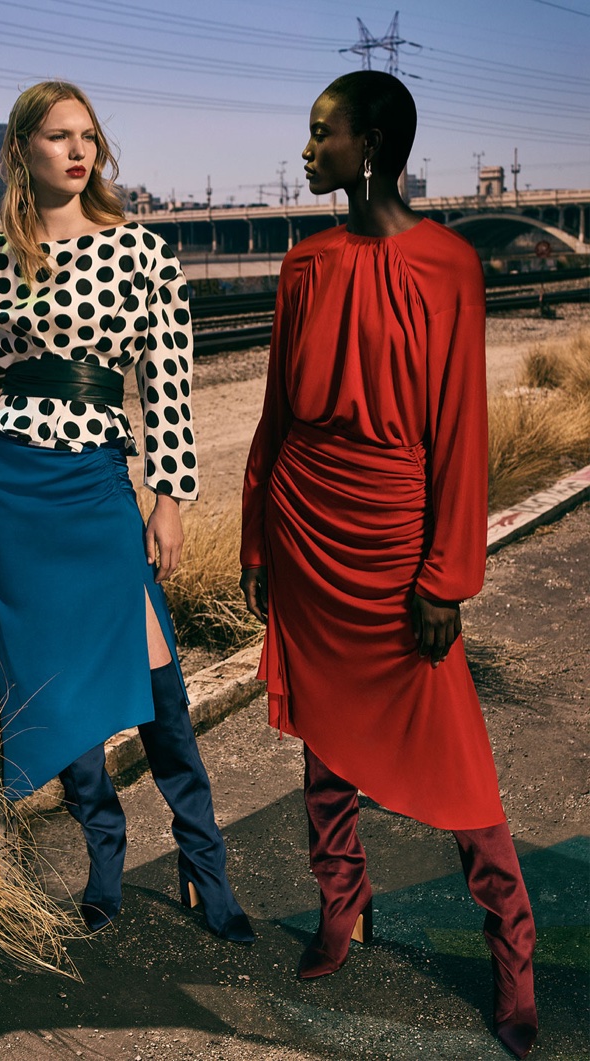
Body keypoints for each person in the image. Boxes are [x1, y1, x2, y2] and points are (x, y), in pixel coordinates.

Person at [0, 80, 253, 945]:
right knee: (54, 684)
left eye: (90, 137)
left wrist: (171, 496)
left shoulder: (143, 253)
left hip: (101, 485)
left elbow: (169, 390)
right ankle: (103, 857)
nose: (79, 152)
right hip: (13, 489)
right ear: (21, 150)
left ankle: (202, 860)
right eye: (60, 137)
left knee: (158, 681)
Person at [240, 71, 536, 1058]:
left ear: (366, 144)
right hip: (304, 523)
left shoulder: (449, 265)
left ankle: (514, 953)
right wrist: (253, 536)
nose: (304, 150)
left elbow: (460, 428)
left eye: (319, 133)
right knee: (323, 736)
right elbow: (276, 416)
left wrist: (445, 576)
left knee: (456, 764)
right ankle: (341, 903)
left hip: (394, 537)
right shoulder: (304, 264)